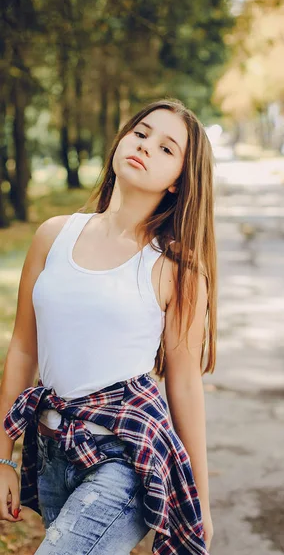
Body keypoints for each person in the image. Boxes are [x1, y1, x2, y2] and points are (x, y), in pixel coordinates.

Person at [0, 98, 217, 554]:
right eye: (140, 133)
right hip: (54, 448)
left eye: (166, 148)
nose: (145, 146)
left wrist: (197, 498)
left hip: (127, 456)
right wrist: (3, 456)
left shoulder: (176, 268)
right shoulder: (53, 235)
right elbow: (22, 347)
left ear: (179, 181)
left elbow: (184, 384)